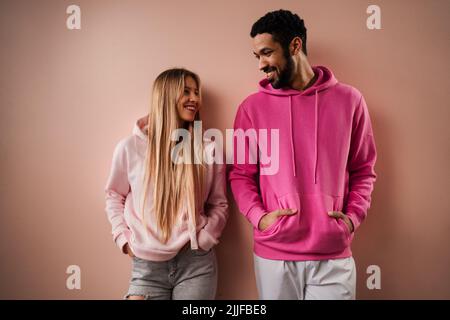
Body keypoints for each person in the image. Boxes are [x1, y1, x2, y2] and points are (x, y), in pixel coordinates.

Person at [228, 9, 377, 300]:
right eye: (257, 56)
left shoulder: (350, 101)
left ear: (295, 46)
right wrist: (260, 218)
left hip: (333, 253)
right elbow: (241, 174)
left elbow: (363, 169)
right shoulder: (251, 108)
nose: (261, 64)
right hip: (275, 254)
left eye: (267, 53)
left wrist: (351, 219)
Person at [105, 68, 228, 300]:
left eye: (196, 92)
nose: (195, 99)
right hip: (146, 268)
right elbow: (114, 195)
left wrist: (206, 237)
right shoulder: (130, 148)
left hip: (196, 264)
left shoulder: (208, 149)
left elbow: (219, 203)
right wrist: (123, 238)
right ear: (166, 96)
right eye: (186, 92)